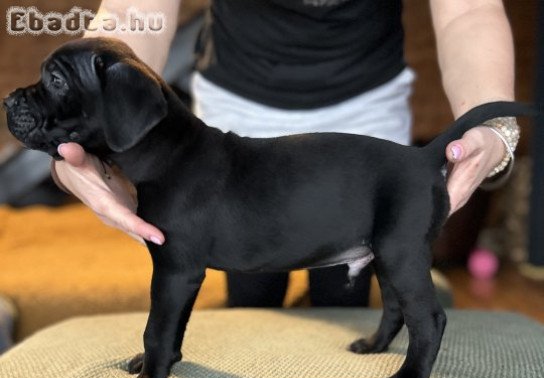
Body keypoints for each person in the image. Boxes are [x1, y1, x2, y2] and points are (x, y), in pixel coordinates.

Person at [52, 0, 517, 307]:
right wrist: (74, 115)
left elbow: (469, 11)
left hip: (363, 119)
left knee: (345, 300)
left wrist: (493, 121)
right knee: (251, 289)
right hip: (236, 120)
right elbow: (134, 10)